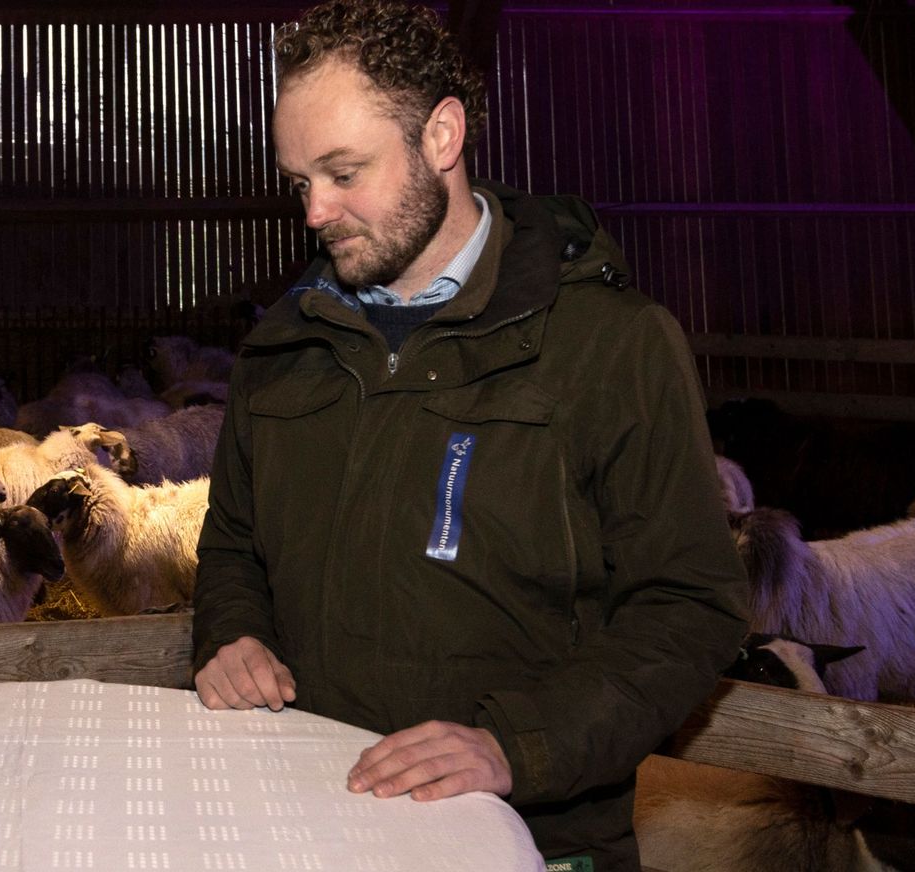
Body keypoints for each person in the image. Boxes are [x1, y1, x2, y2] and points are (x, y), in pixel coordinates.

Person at [190, 3, 749, 870]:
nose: (314, 212)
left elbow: (689, 606)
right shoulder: (286, 346)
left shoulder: (607, 346)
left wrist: (516, 745)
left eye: (344, 172)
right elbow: (232, 546)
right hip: (313, 817)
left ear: (441, 136)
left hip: (530, 838)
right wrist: (234, 637)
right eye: (299, 181)